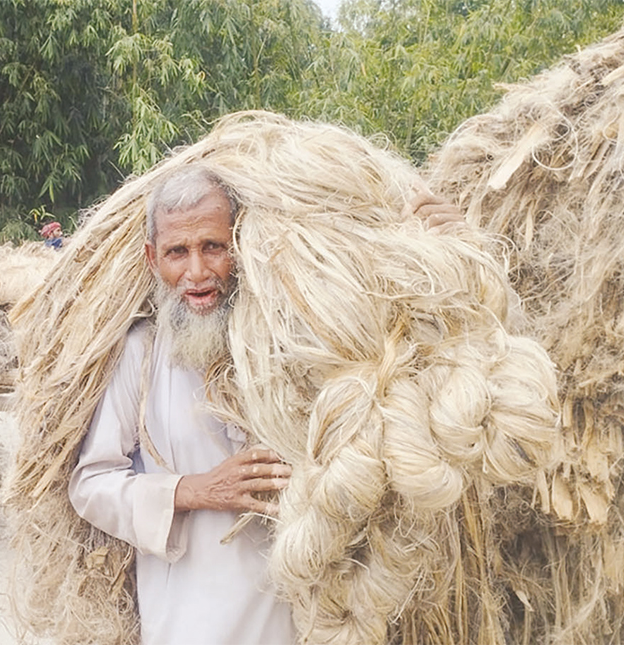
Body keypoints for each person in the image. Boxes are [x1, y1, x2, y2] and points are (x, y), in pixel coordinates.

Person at [67, 165, 462, 644]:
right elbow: (91, 484)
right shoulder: (142, 353)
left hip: (290, 615)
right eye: (177, 252)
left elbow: (401, 364)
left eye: (212, 246)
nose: (196, 272)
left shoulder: (296, 340)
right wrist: (195, 491)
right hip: (184, 624)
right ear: (153, 259)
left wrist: (445, 250)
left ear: (241, 242)